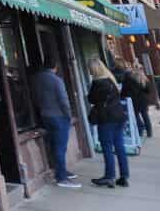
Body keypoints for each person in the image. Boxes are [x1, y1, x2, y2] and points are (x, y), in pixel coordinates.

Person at [30, 55, 79, 188]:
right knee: (60, 147)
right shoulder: (57, 80)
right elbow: (64, 100)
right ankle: (61, 177)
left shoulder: (36, 79)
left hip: (45, 115)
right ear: (55, 67)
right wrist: (69, 115)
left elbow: (34, 98)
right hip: (59, 117)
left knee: (53, 145)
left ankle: (61, 170)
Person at [87, 58, 129, 188]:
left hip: (106, 119)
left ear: (93, 69)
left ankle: (109, 176)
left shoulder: (97, 83)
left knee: (107, 147)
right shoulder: (111, 80)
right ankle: (124, 176)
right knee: (120, 146)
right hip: (119, 116)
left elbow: (91, 99)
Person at [120, 61, 152, 138]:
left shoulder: (129, 77)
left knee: (136, 116)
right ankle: (149, 132)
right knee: (145, 116)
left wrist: (122, 96)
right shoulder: (144, 78)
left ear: (133, 68)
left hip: (134, 101)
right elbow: (148, 91)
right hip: (143, 100)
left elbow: (125, 89)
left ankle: (140, 131)